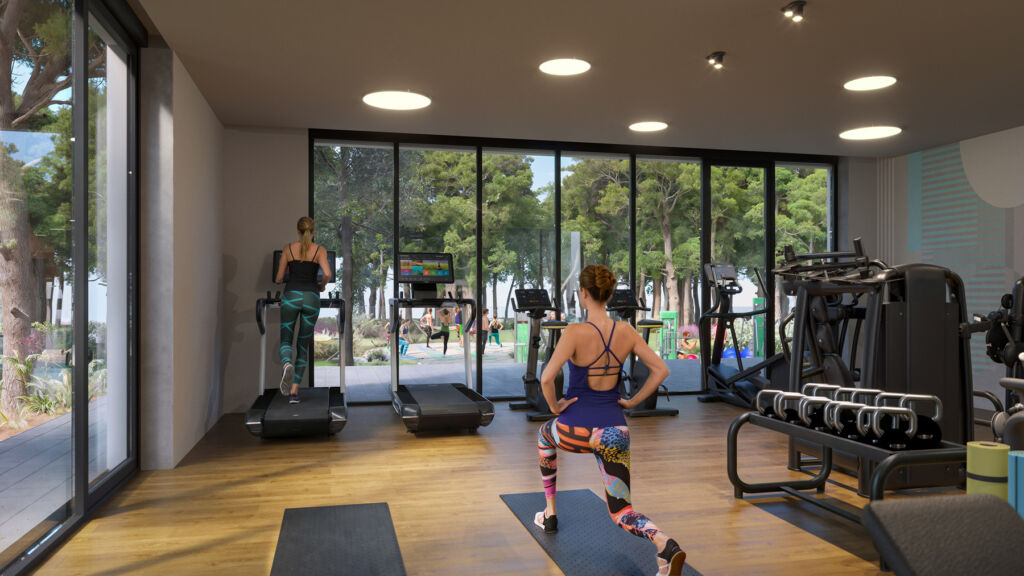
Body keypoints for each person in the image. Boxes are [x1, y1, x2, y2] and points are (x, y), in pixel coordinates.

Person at [536, 264, 685, 576]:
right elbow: (661, 370)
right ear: (610, 295)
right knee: (622, 511)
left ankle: (550, 513)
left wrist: (556, 407)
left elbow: (547, 378)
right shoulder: (627, 332)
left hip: (574, 430)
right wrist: (631, 401)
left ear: (584, 293)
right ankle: (666, 544)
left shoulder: (575, 332)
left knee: (543, 436)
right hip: (615, 432)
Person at [275, 216, 331, 404]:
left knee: (285, 338)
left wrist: (286, 278)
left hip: (291, 297)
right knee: (303, 345)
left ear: (297, 231)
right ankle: (294, 392)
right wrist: (321, 286)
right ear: (313, 232)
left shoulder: (288, 249)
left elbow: (279, 277)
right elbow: (328, 274)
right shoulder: (319, 250)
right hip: (311, 298)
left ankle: (286, 363)